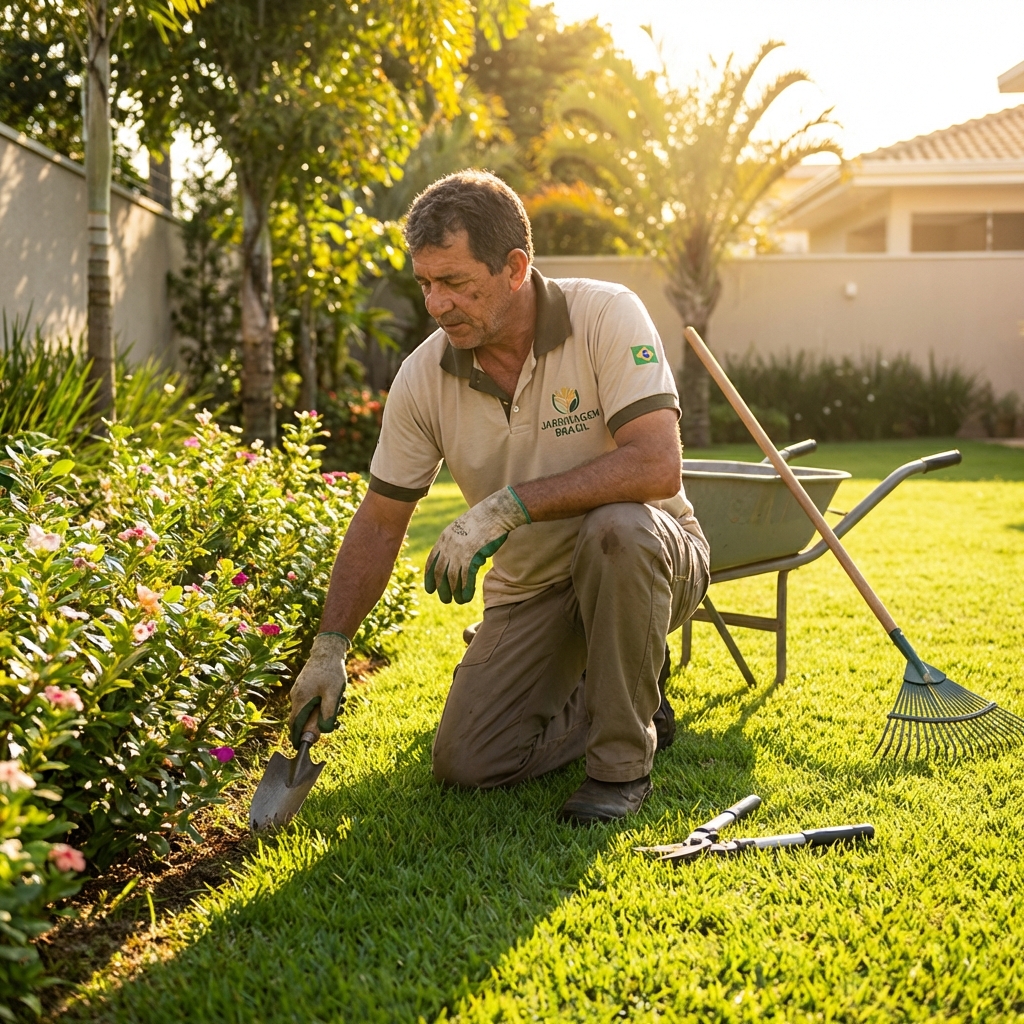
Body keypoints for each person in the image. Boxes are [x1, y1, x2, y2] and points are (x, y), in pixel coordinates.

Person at [289, 170, 709, 824]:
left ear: (514, 268)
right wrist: (331, 646)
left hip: (648, 560)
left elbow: (656, 464)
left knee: (617, 528)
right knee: (469, 760)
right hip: (534, 587)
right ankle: (626, 694)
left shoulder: (605, 314)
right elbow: (380, 521)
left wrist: (509, 505)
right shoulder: (423, 378)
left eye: (456, 282)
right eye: (425, 284)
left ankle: (620, 767)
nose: (437, 304)